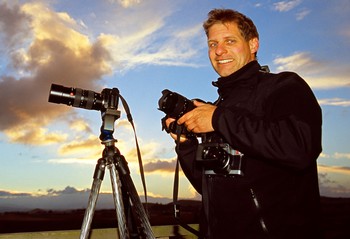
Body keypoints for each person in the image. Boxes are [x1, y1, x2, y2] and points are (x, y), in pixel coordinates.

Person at [164, 8, 323, 239]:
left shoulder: (285, 86)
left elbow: (300, 148)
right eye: (212, 44)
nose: (219, 51)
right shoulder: (219, 107)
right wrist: (186, 145)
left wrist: (217, 119)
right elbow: (208, 186)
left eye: (230, 41)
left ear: (253, 44)